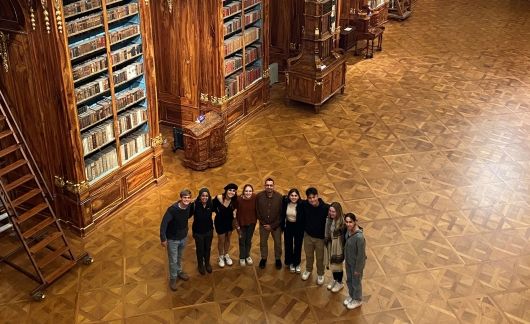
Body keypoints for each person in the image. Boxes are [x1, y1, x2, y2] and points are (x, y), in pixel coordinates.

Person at [160, 189, 193, 291]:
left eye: (188, 198)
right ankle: (173, 278)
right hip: (173, 239)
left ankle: (179, 272)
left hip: (183, 237)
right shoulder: (172, 210)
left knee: (179, 257)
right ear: (181, 198)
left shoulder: (189, 206)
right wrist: (163, 239)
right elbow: (163, 224)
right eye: (184, 198)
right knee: (173, 260)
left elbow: (190, 213)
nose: (186, 200)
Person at [300, 187, 329, 285]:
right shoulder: (305, 204)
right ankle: (308, 270)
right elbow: (294, 199)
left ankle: (320, 273)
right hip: (308, 236)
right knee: (309, 255)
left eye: (314, 197)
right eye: (310, 198)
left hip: (320, 239)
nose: (312, 200)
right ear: (307, 198)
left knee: (320, 258)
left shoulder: (326, 208)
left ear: (317, 196)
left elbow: (337, 214)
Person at [256, 178, 283, 269]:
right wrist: (264, 224)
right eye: (267, 185)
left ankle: (278, 258)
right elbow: (257, 211)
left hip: (276, 226)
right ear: (265, 186)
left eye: (271, 185)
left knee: (278, 243)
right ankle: (263, 258)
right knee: (263, 242)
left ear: (273, 186)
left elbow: (281, 214)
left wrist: (272, 226)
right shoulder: (259, 196)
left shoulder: (279, 197)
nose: (269, 187)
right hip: (263, 225)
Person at [343, 212, 367, 310]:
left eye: (350, 222)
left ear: (355, 222)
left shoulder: (359, 237)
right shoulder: (348, 231)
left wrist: (358, 269)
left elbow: (361, 256)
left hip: (356, 265)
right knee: (349, 280)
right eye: (347, 222)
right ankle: (352, 296)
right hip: (348, 261)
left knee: (356, 282)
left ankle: (357, 299)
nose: (348, 224)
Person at [213, 183, 238, 268]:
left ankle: (226, 254)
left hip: (230, 223)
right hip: (220, 223)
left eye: (233, 191)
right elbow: (212, 207)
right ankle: (221, 256)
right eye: (230, 190)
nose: (231, 192)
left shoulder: (235, 201)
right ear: (226, 190)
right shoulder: (219, 198)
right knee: (221, 240)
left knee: (228, 239)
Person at [281, 188, 304, 273]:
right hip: (289, 226)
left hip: (299, 227)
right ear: (289, 196)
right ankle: (290, 262)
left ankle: (297, 263)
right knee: (288, 245)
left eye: (295, 196)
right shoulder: (285, 202)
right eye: (292, 195)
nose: (294, 197)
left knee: (298, 245)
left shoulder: (302, 204)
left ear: (298, 196)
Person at [191, 188, 214, 275]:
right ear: (200, 196)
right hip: (198, 232)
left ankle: (207, 263)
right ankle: (200, 265)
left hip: (209, 230)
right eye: (203, 196)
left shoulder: (211, 203)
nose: (204, 197)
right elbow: (187, 214)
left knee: (207, 248)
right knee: (200, 249)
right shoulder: (195, 205)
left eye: (206, 196)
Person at [325, 202, 346, 293]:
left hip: (338, 247)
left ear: (338, 212)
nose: (331, 213)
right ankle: (334, 280)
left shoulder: (343, 223)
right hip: (331, 244)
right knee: (333, 264)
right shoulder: (329, 220)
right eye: (330, 211)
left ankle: (339, 282)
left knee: (338, 265)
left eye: (333, 212)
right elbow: (328, 232)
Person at [236, 184, 257, 266]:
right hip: (241, 225)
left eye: (250, 191)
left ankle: (247, 255)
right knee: (242, 241)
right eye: (246, 191)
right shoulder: (238, 200)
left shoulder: (255, 197)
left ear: (252, 192)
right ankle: (242, 257)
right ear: (243, 192)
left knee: (248, 241)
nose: (248, 193)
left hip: (251, 223)